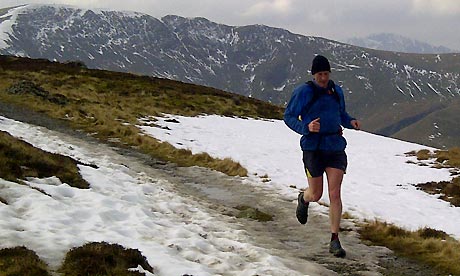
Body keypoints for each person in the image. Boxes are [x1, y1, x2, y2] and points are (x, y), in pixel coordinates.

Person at [284, 55, 361, 258]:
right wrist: (306, 127)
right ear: (314, 74)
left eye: (326, 74)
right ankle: (304, 198)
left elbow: (341, 114)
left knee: (334, 193)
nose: (324, 78)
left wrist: (350, 121)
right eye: (320, 74)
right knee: (316, 194)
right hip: (313, 147)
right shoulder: (304, 92)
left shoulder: (336, 91)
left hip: (334, 146)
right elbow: (288, 116)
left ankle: (334, 240)